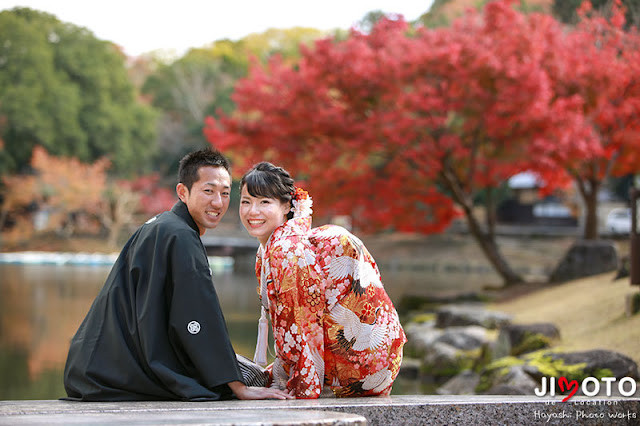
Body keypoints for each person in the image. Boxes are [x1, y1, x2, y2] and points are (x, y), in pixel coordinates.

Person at [63, 149, 293, 402]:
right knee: (248, 376)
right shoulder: (180, 236)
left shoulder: (163, 225)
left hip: (94, 369)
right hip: (118, 375)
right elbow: (199, 314)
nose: (218, 202)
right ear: (183, 192)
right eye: (208, 191)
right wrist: (238, 387)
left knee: (238, 368)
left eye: (225, 193)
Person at [239, 162, 407, 399]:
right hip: (378, 359)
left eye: (264, 202)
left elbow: (302, 326)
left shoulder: (287, 248)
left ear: (286, 205)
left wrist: (302, 389)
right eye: (246, 202)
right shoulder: (275, 245)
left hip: (359, 367)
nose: (252, 211)